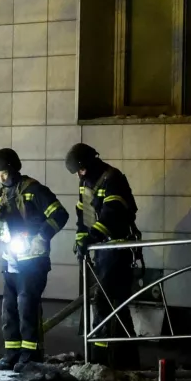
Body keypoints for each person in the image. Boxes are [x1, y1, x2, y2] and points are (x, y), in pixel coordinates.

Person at [0, 148, 69, 371]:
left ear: (13, 169)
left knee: (26, 307)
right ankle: (12, 353)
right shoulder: (0, 195)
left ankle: (30, 356)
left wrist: (42, 236)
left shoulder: (34, 191)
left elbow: (60, 214)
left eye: (3, 173)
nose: (1, 178)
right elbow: (0, 224)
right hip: (10, 260)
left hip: (32, 260)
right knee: (9, 309)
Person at [65, 143, 140, 369]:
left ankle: (100, 359)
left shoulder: (112, 179)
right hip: (101, 250)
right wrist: (81, 240)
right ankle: (125, 360)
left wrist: (92, 237)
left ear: (89, 163)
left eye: (81, 170)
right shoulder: (86, 182)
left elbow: (113, 215)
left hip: (117, 248)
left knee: (104, 302)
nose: (79, 175)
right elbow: (84, 216)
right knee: (117, 304)